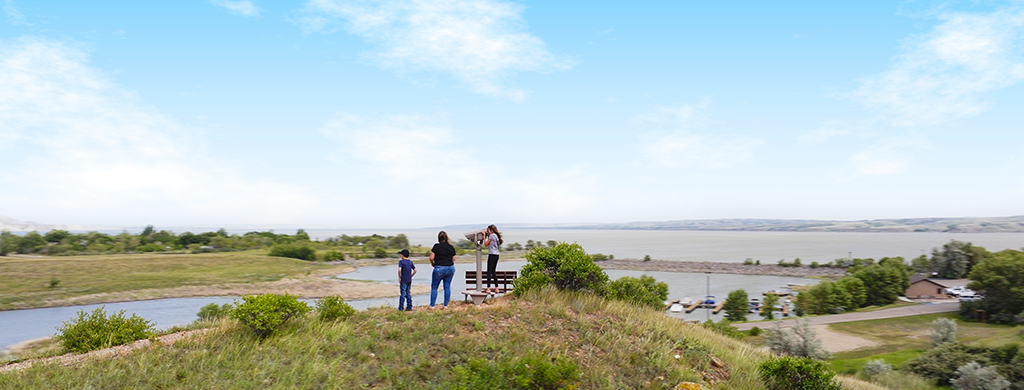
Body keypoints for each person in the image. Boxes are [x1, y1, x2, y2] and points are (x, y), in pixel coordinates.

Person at [429, 231, 457, 309]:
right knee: (447, 286)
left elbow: (431, 257)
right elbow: (454, 259)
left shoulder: (436, 246)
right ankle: (445, 305)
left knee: (434, 287)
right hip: (450, 268)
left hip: (439, 268)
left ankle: (432, 305)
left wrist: (432, 263)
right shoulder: (451, 247)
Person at [482, 224, 503, 294]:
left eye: (488, 230)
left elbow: (486, 244)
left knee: (489, 271)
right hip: (497, 255)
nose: (487, 232)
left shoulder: (491, 235)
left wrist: (484, 236)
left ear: (491, 230)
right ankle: (496, 287)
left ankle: (488, 288)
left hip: (492, 255)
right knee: (493, 271)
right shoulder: (496, 236)